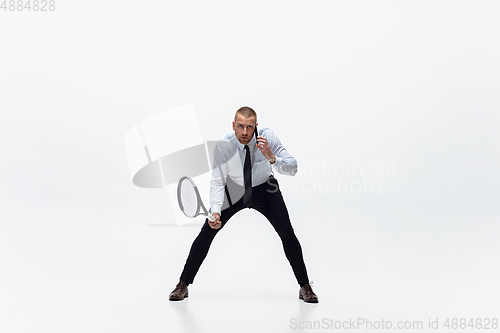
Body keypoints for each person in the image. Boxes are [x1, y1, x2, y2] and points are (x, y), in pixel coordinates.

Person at [169, 106, 318, 303]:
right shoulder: (224, 145)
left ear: (256, 126)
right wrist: (215, 211)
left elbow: (293, 168)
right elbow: (217, 180)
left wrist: (272, 157)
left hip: (265, 188)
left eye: (249, 127)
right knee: (206, 233)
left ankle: (305, 286)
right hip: (235, 188)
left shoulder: (268, 138)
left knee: (287, 234)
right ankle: (183, 284)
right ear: (233, 125)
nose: (245, 132)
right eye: (240, 126)